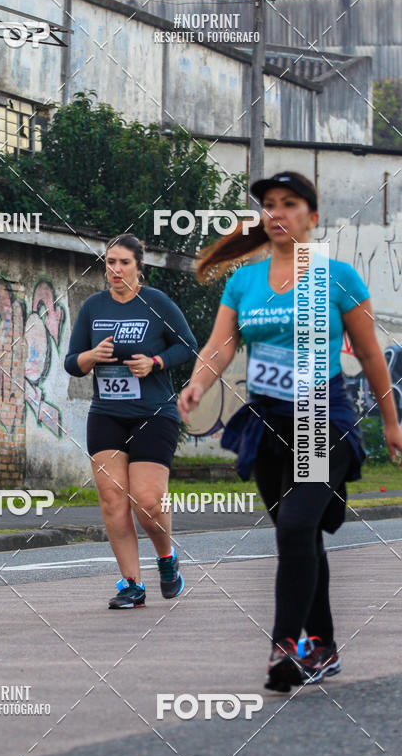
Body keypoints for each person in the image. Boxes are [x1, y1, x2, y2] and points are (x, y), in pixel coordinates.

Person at [178, 172, 402, 690]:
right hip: (266, 422)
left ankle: (285, 647)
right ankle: (321, 645)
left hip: (319, 417)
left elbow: (371, 355)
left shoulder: (337, 277)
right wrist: (197, 384)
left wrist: (391, 421)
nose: (277, 213)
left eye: (290, 203)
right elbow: (221, 346)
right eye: (269, 205)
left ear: (312, 217)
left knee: (298, 528)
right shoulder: (245, 282)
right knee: (299, 535)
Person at [65, 234, 197, 608]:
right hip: (106, 413)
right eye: (110, 262)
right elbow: (72, 362)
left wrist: (155, 363)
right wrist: (92, 356)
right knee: (112, 499)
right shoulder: (93, 307)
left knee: (147, 502)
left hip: (153, 413)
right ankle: (131, 585)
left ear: (139, 266)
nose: (116, 269)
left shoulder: (157, 303)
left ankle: (167, 558)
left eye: (124, 262)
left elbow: (187, 346)